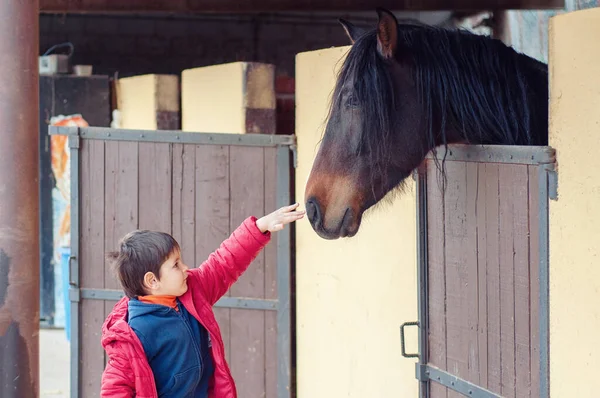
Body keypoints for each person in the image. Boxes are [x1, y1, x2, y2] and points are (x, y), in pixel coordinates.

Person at [100, 203, 305, 398]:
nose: (185, 268)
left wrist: (260, 227)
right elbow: (115, 389)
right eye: (176, 265)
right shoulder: (132, 334)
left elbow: (224, 263)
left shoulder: (192, 291)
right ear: (152, 281)